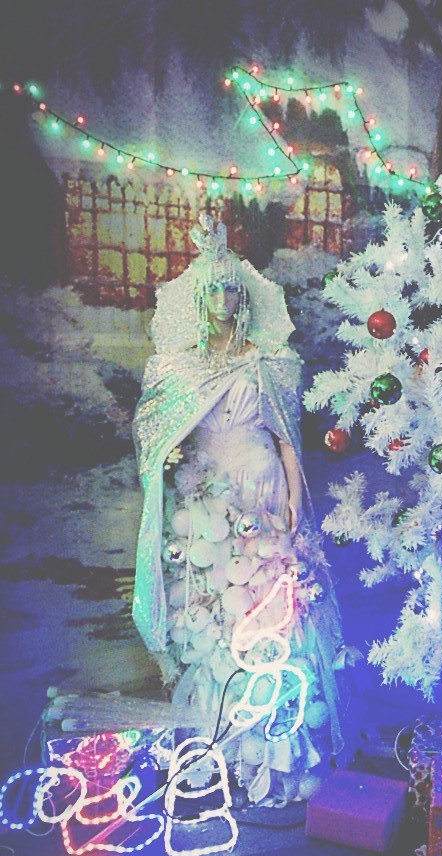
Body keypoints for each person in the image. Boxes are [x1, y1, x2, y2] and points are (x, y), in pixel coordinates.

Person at [132, 215, 346, 805]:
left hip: (262, 485)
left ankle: (276, 744)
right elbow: (157, 433)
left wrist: (294, 502)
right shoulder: (178, 365)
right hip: (207, 497)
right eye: (214, 290)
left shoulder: (270, 361)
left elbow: (287, 439)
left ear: (245, 297)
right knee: (211, 603)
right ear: (198, 298)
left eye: (232, 290)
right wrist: (172, 465)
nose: (224, 299)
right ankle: (220, 744)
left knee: (268, 599)